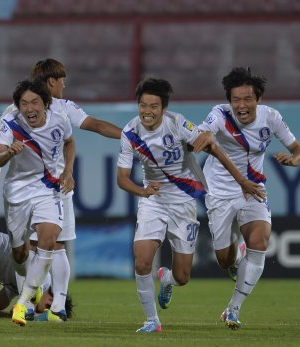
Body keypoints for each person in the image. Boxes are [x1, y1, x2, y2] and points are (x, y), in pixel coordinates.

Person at [116, 77, 262, 333]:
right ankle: (152, 320)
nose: (147, 112)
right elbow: (121, 179)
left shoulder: (178, 123)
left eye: (153, 106)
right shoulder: (130, 133)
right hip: (153, 202)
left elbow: (213, 147)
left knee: (182, 277)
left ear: (163, 109)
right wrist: (143, 191)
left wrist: (241, 180)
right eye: (142, 105)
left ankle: (167, 280)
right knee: (141, 261)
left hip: (183, 205)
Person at [4, 58, 122, 320]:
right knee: (36, 248)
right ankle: (45, 301)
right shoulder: (21, 110)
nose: (64, 85)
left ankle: (55, 303)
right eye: (61, 80)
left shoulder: (60, 108)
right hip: (25, 190)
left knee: (50, 244)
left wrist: (68, 171)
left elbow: (75, 139)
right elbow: (96, 125)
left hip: (53, 187)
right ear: (50, 82)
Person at [196, 67, 300, 330]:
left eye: (247, 99)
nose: (241, 105)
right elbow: (205, 132)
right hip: (220, 193)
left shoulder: (271, 118)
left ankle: (233, 309)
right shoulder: (219, 114)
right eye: (236, 100)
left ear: (258, 99)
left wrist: (294, 160)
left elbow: (297, 149)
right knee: (224, 260)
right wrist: (205, 137)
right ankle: (235, 255)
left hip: (253, 190)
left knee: (260, 241)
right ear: (229, 101)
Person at [0, 79, 75, 326]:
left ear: (45, 103)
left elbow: (69, 142)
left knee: (48, 242)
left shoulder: (59, 120)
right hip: (17, 193)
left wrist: (68, 171)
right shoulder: (10, 124)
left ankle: (24, 301)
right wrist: (8, 153)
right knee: (19, 254)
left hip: (48, 190)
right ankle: (28, 290)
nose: (29, 108)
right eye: (24, 103)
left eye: (34, 102)